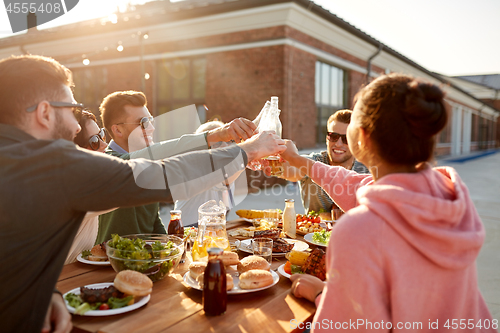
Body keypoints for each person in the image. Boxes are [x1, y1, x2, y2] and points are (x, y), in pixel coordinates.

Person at [0, 54, 286, 333]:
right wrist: (247, 151)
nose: (76, 125)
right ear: (45, 112)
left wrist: (44, 294)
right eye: (70, 108)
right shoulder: (53, 164)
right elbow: (161, 173)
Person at [281, 73, 494, 331]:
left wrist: (321, 296)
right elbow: (356, 184)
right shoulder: (446, 197)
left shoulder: (359, 231)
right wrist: (299, 161)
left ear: (363, 137)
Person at [95, 91, 253, 243]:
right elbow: (161, 151)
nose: (151, 128)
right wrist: (217, 134)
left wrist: (173, 247)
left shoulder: (147, 163)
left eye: (151, 120)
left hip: (144, 259)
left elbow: (153, 220)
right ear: (117, 130)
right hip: (108, 263)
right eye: (143, 122)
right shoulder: (107, 162)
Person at [279, 110, 367, 219]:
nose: (338, 144)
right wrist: (277, 164)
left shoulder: (366, 169)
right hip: (312, 234)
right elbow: (291, 171)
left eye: (346, 139)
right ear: (327, 138)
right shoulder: (313, 161)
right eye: (333, 136)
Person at [174, 121, 240, 226]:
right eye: (217, 143)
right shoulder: (195, 167)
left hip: (211, 229)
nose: (224, 145)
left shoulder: (225, 168)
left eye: (228, 141)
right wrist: (248, 157)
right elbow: (222, 181)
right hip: (187, 231)